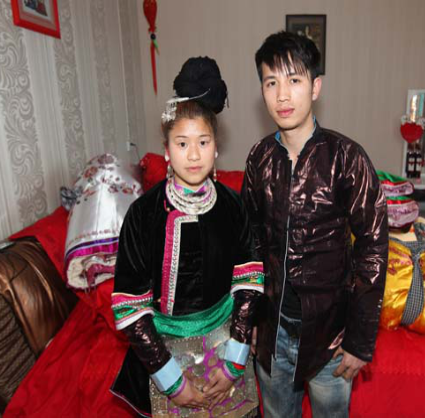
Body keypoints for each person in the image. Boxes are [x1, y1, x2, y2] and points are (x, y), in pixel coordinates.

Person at [241, 31, 388, 417]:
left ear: (315, 86)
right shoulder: (259, 158)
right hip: (273, 331)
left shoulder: (347, 158)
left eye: (294, 80)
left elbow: (373, 247)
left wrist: (360, 340)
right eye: (271, 83)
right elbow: (249, 245)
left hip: (331, 336)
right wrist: (248, 320)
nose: (282, 95)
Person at [111, 57, 263, 417]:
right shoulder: (142, 214)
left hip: (227, 350)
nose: (193, 155)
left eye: (203, 142)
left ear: (216, 148)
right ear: (166, 150)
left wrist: (234, 361)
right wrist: (172, 382)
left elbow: (250, 283)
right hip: (163, 355)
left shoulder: (233, 206)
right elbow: (130, 307)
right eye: (182, 143)